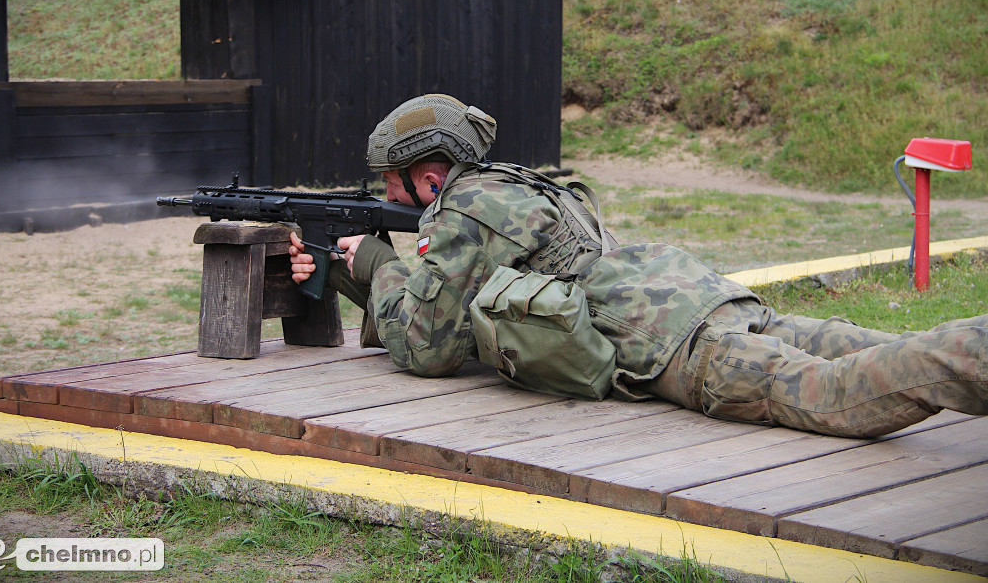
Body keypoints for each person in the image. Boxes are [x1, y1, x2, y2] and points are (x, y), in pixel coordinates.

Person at [290, 94, 988, 438]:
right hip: (694, 295)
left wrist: (375, 262)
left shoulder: (467, 208)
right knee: (859, 342)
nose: (387, 196)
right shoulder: (511, 183)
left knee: (834, 394)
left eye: (393, 183)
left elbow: (426, 347)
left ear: (432, 176)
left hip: (673, 345)